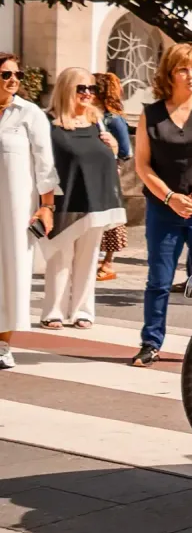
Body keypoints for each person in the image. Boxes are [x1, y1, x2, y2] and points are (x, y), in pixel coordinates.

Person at [132, 44, 192, 367]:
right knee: (159, 281)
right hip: (163, 210)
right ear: (169, 74)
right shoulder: (150, 114)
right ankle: (151, 343)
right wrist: (169, 198)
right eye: (184, 69)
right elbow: (142, 165)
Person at [39, 68, 126, 330]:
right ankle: (53, 311)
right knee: (59, 258)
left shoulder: (97, 121)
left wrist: (113, 149)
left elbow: (109, 161)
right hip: (63, 201)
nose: (88, 94)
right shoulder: (48, 123)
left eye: (91, 88)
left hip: (95, 201)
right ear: (67, 89)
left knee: (89, 260)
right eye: (81, 88)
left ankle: (83, 312)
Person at [0, 52, 58, 369]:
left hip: (15, 208)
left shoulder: (29, 113)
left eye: (17, 75)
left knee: (11, 273)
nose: (13, 80)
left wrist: (47, 206)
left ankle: (2, 344)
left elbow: (45, 165)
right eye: (6, 74)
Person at [94, 72, 131, 282]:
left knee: (112, 219)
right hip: (91, 173)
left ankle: (108, 262)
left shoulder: (114, 119)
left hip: (109, 174)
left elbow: (126, 151)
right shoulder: (89, 115)